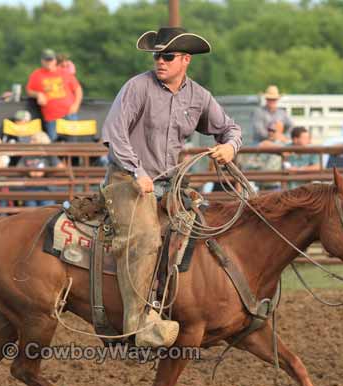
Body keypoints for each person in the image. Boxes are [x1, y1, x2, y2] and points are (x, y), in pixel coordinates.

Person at [102, 27, 242, 349]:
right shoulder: (137, 87)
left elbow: (230, 128)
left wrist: (230, 147)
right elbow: (115, 132)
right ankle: (137, 326)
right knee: (146, 238)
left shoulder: (198, 96)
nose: (159, 61)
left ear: (185, 60)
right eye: (156, 55)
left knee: (204, 232)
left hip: (170, 183)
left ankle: (190, 307)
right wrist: (136, 171)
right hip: (127, 180)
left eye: (167, 56)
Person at [26, 48, 83, 142]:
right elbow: (29, 90)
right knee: (53, 143)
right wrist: (38, 94)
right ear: (42, 61)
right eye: (46, 60)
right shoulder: (36, 74)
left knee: (72, 144)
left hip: (69, 114)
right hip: (51, 116)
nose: (49, 62)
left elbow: (78, 89)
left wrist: (76, 105)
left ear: (55, 60)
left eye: (51, 60)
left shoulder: (64, 73)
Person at [17, 131, 64, 207]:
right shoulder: (28, 154)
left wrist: (45, 171)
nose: (30, 142)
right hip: (30, 188)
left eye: (33, 139)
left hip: (46, 188)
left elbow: (60, 167)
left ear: (40, 141)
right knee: (31, 213)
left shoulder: (49, 155)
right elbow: (19, 167)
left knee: (47, 214)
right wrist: (29, 172)